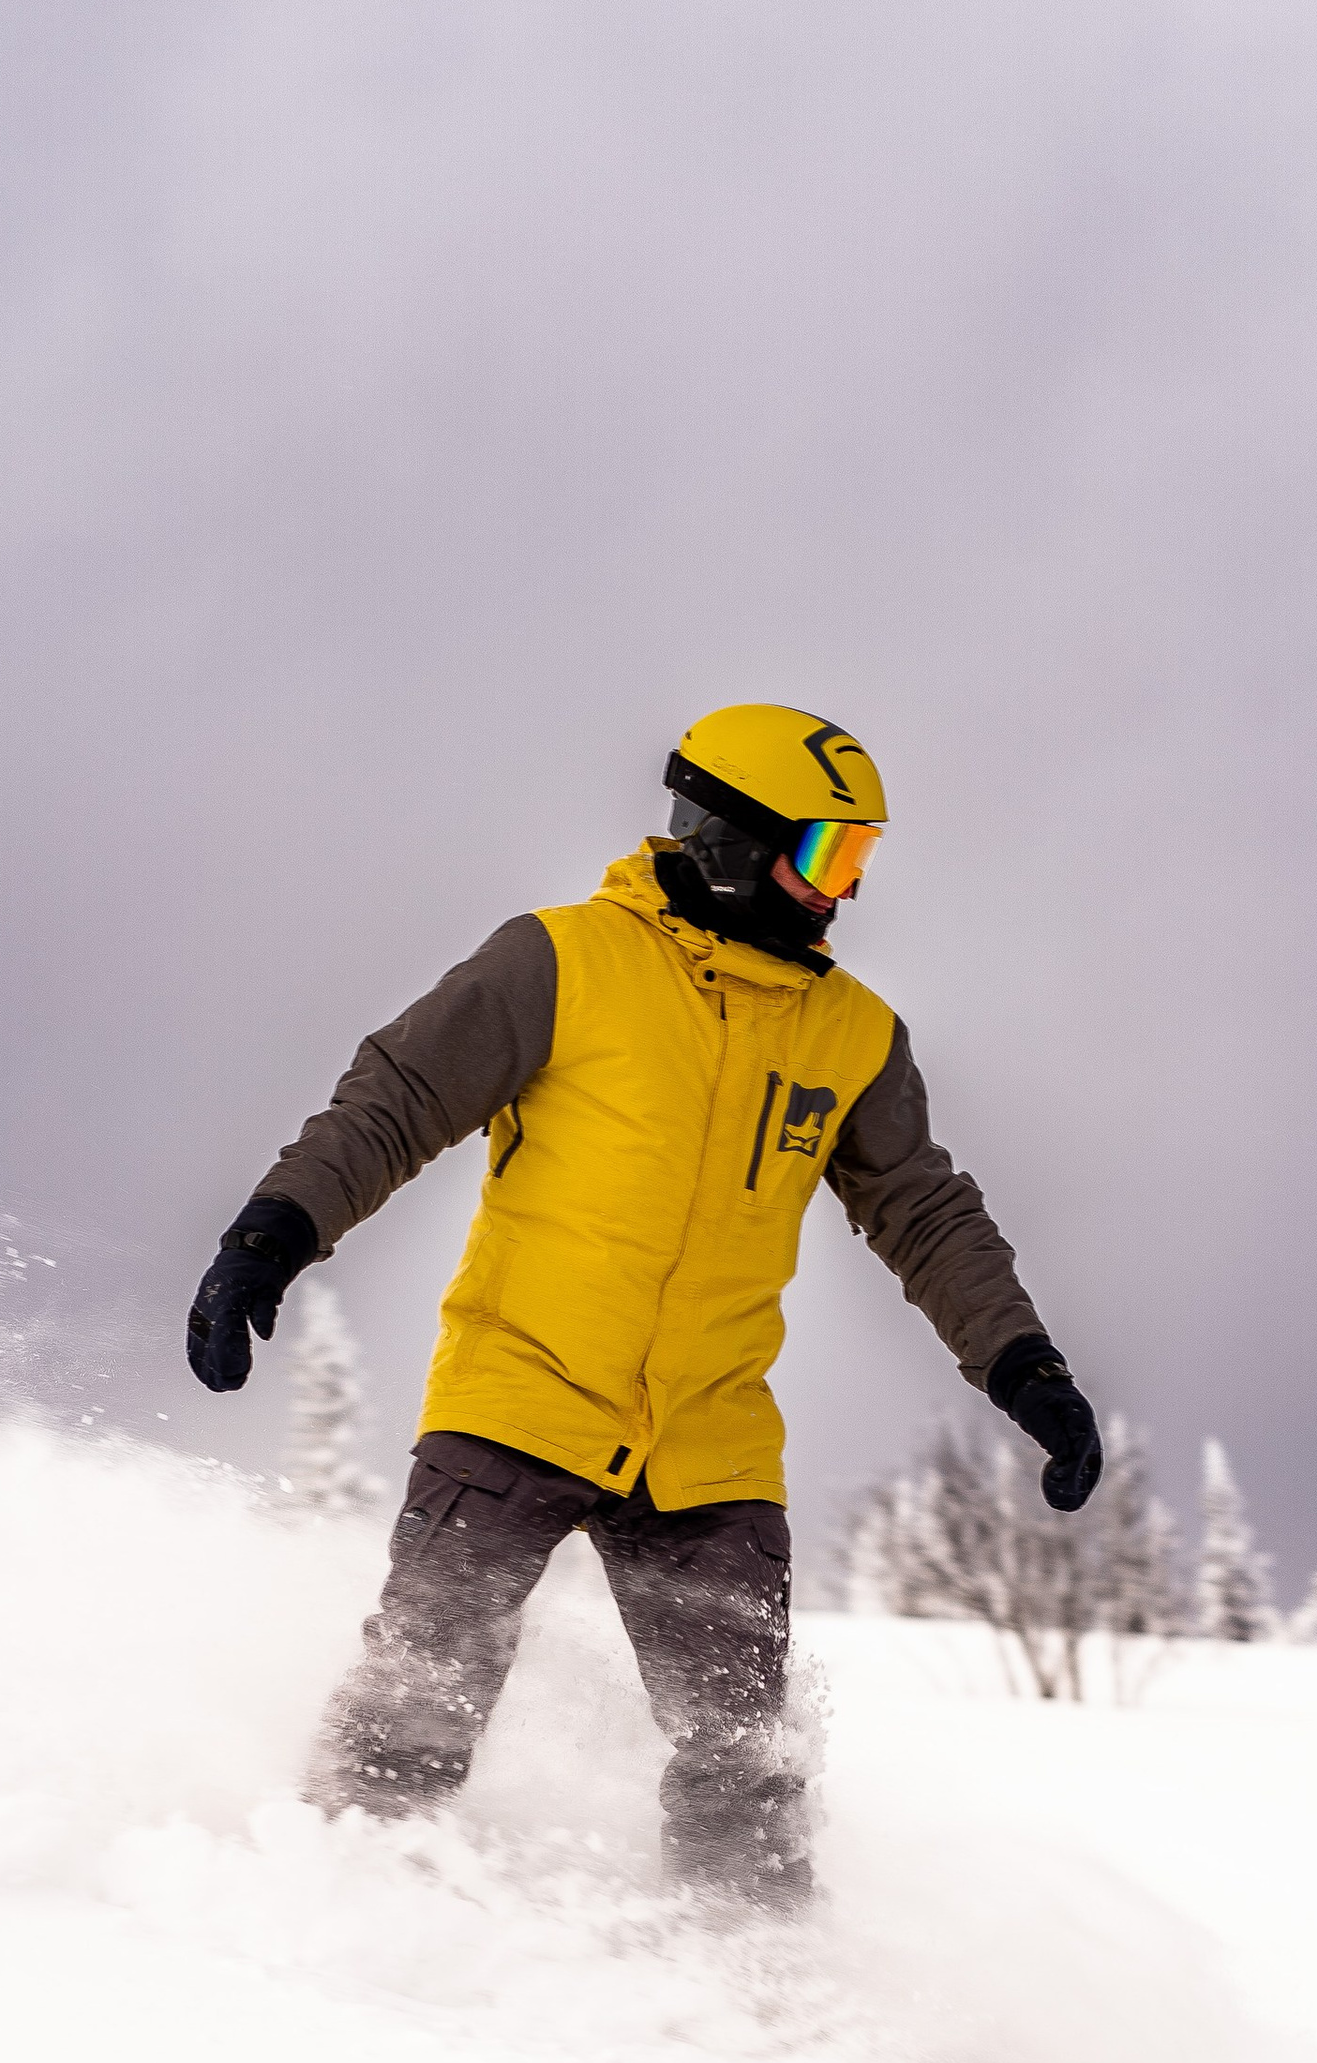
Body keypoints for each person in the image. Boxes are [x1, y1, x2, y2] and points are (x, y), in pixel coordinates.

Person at [187, 703, 1101, 1904]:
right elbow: (395, 1101)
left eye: (860, 860)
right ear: (729, 835)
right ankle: (332, 1908)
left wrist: (1024, 1366)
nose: (843, 894)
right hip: (521, 1401)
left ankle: (749, 1989)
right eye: (826, 856)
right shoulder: (561, 963)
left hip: (709, 1445)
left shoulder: (852, 1036)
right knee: (423, 1696)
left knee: (743, 1760)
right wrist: (273, 1234)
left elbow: (924, 1212)